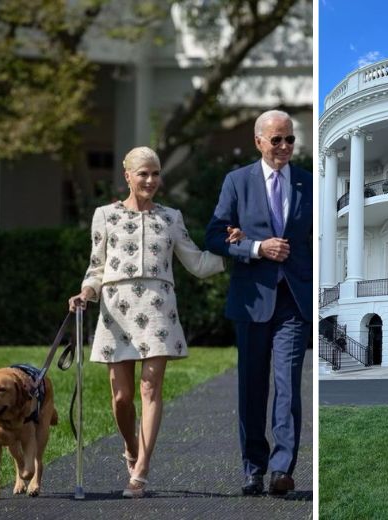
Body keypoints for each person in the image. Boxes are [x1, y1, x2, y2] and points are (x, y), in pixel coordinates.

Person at [68, 146, 237, 498]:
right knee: (121, 398)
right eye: (143, 173)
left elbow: (198, 263)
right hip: (116, 310)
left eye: (155, 173)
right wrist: (86, 292)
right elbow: (96, 267)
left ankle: (141, 470)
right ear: (127, 176)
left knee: (150, 389)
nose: (150, 180)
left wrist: (233, 249)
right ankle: (131, 446)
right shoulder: (105, 215)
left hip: (159, 309)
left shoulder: (171, 217)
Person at [206, 110, 313, 496]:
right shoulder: (237, 182)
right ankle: (253, 467)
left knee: (287, 388)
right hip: (252, 300)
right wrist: (254, 247)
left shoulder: (308, 183)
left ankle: (282, 468)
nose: (284, 147)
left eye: (290, 140)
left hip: (294, 302)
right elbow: (215, 235)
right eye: (276, 140)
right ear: (258, 142)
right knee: (252, 386)